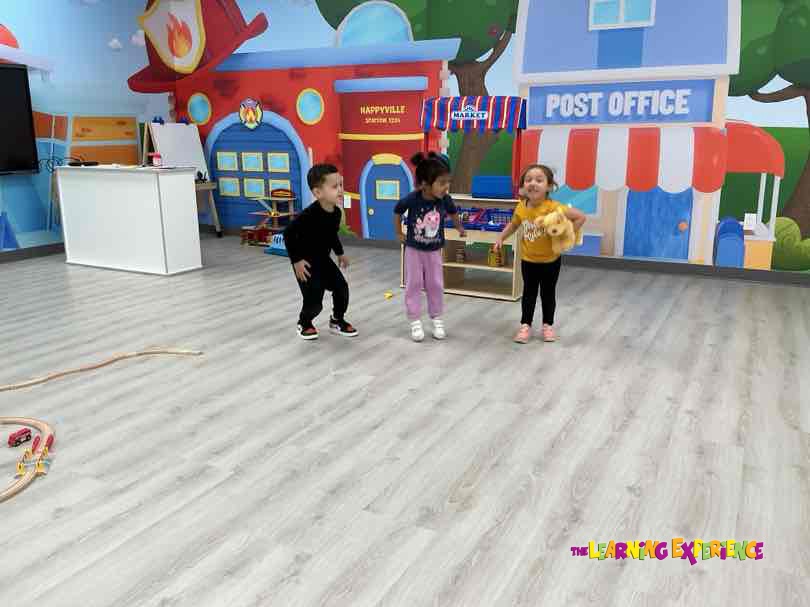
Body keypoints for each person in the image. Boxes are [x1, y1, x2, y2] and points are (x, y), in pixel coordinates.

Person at [494, 164, 586, 344]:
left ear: (549, 186)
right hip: (528, 260)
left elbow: (580, 217)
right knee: (528, 294)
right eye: (528, 180)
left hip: (551, 261)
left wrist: (566, 234)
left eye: (539, 180)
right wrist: (501, 238)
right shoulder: (521, 208)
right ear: (523, 187)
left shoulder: (554, 208)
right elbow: (514, 225)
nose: (533, 183)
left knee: (548, 294)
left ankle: (547, 325)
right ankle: (525, 325)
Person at [394, 152, 465, 342]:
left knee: (435, 284)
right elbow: (398, 210)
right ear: (425, 184)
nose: (446, 187)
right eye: (442, 183)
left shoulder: (445, 199)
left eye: (448, 182)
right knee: (414, 283)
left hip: (434, 251)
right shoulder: (413, 198)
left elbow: (453, 212)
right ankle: (415, 320)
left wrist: (459, 227)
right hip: (414, 250)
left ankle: (436, 318)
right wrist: (399, 232)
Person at [283, 163, 358, 341]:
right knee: (314, 302)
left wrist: (340, 253)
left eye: (341, 185)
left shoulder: (336, 213)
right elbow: (288, 234)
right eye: (334, 186)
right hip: (305, 263)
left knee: (341, 288)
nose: (340, 190)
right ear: (318, 192)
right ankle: (304, 322)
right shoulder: (308, 215)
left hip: (323, 260)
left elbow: (331, 235)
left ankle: (337, 320)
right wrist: (296, 261)